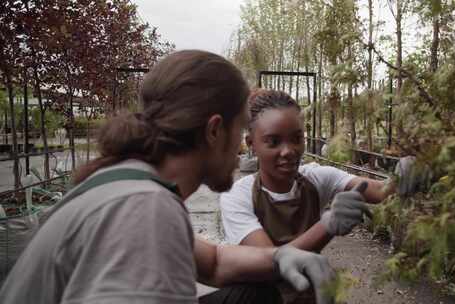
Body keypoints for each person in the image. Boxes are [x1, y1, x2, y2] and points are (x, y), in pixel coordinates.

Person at [0, 51, 336, 304]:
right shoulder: (144, 208)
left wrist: (280, 256)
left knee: (256, 294)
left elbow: (216, 262)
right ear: (215, 130)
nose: (241, 147)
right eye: (241, 129)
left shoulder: (130, 182)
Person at [220, 89, 397, 253]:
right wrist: (327, 225)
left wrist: (406, 174)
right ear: (252, 144)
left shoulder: (317, 178)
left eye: (297, 138)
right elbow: (269, 261)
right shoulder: (237, 197)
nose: (288, 151)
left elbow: (381, 191)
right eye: (273, 141)